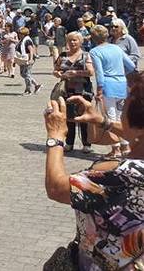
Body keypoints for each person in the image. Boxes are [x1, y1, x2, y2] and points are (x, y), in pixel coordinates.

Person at [43, 76, 144, 270]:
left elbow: (56, 188)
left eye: (125, 105)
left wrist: (55, 136)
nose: (122, 109)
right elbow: (135, 133)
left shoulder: (121, 174)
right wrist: (102, 121)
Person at [90, 25, 137, 158]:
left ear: (93, 38)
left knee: (110, 117)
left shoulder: (95, 51)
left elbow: (99, 72)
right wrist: (121, 72)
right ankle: (125, 146)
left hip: (108, 84)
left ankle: (115, 148)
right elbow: (131, 65)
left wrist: (99, 89)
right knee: (121, 116)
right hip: (121, 83)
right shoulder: (116, 48)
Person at [52, 32, 94, 153]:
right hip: (66, 90)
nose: (72, 42)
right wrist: (59, 74)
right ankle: (69, 143)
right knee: (68, 117)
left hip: (83, 90)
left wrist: (76, 73)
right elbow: (55, 70)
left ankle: (86, 144)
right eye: (70, 40)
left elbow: (91, 72)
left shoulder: (85, 55)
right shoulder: (63, 55)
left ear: (80, 42)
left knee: (83, 118)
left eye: (75, 40)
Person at [16, 27, 42, 96]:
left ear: (23, 34)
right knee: (23, 74)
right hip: (23, 59)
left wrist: (31, 59)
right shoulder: (22, 40)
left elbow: (31, 50)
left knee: (27, 74)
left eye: (20, 33)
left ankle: (28, 90)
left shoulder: (27, 40)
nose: (19, 34)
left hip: (28, 59)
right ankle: (37, 85)